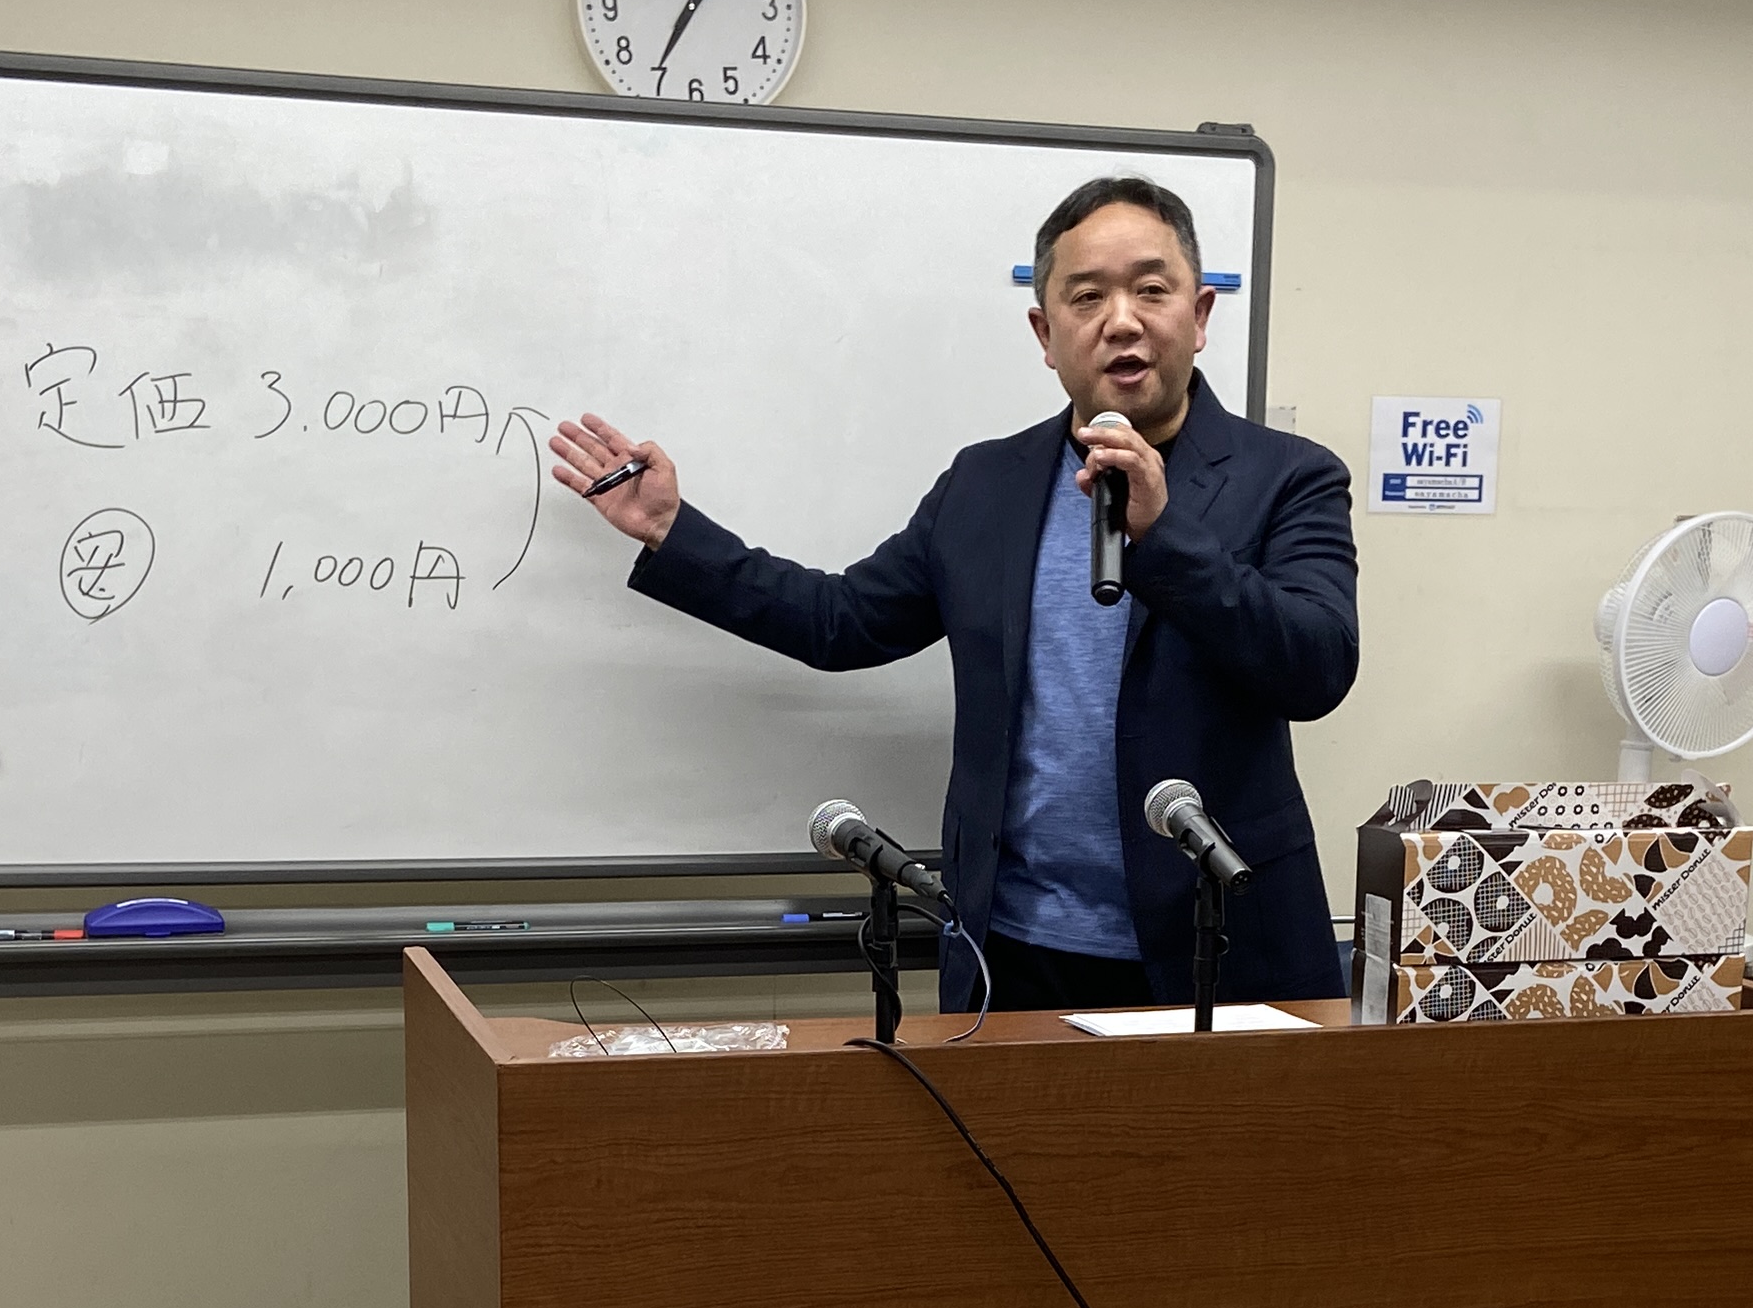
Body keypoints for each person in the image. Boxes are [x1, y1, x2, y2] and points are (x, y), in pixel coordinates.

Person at [548, 175, 1358, 1013]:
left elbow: (1317, 668)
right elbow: (839, 623)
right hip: (1015, 951)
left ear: (1200, 314)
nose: (1122, 320)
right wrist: (672, 530)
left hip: (1220, 947)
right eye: (1087, 297)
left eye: (1151, 290)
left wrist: (1166, 537)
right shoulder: (985, 484)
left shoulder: (1289, 477)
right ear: (1046, 334)